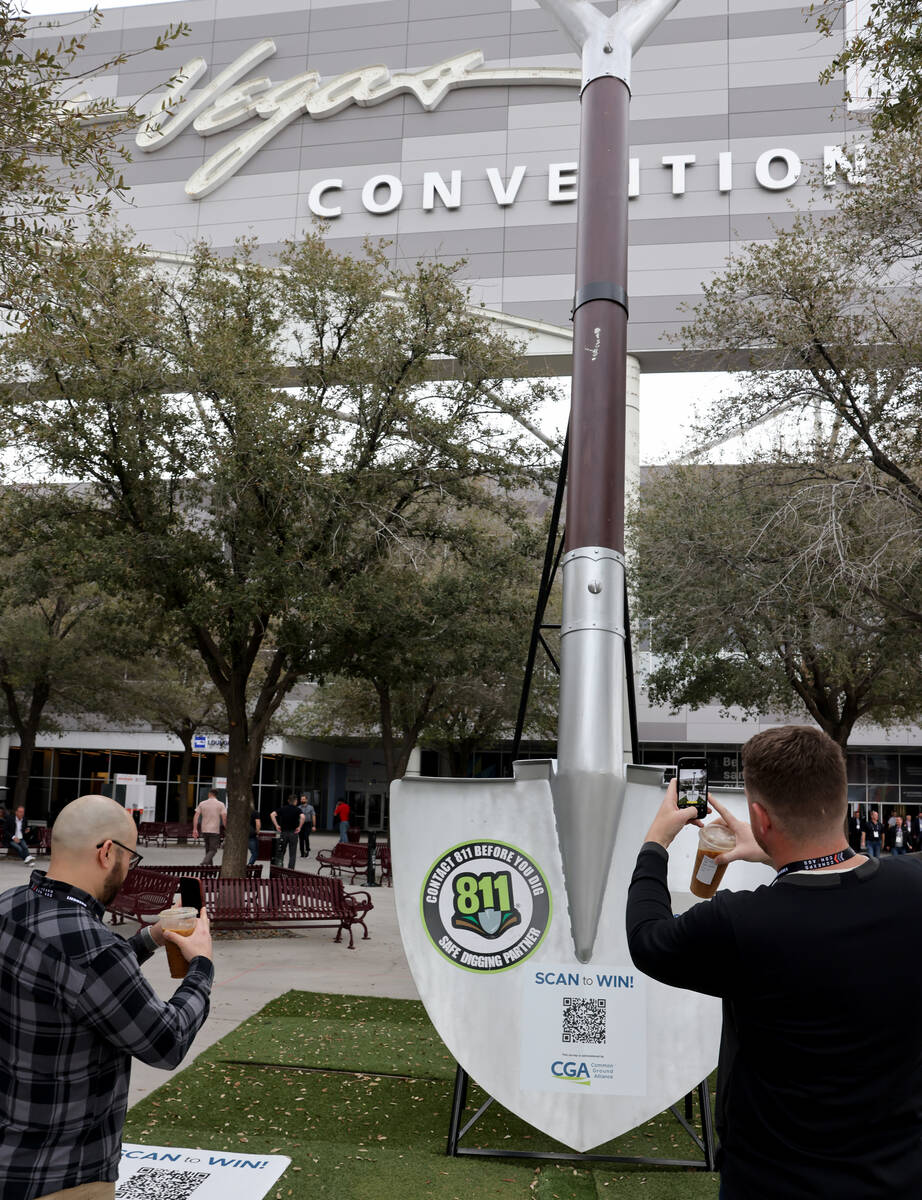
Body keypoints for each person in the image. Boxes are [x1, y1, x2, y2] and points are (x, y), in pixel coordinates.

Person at [627, 724, 922, 1199]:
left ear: (761, 820)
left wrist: (656, 840)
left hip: (771, 1182)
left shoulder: (742, 923)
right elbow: (835, 880)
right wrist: (775, 853)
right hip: (899, 1178)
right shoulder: (912, 889)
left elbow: (646, 939)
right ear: (844, 803)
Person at [0, 794, 213, 1200]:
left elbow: (71, 980)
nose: (128, 871)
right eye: (130, 859)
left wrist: (149, 938)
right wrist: (201, 965)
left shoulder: (10, 905)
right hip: (65, 1175)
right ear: (107, 852)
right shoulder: (94, 948)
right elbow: (166, 1042)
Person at [192, 788, 226, 867]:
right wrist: (226, 828)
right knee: (213, 850)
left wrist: (195, 829)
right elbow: (224, 818)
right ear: (216, 795)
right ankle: (204, 863)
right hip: (214, 830)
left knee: (208, 850)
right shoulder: (220, 804)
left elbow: (196, 816)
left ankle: (209, 871)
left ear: (209, 794)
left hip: (204, 830)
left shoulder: (202, 803)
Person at [270, 795, 304, 869]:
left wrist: (276, 825)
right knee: (292, 854)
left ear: (288, 801)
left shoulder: (283, 808)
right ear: (295, 801)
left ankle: (279, 867)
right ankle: (290, 870)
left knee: (281, 852)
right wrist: (299, 827)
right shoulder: (297, 809)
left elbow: (272, 814)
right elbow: (303, 817)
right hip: (293, 833)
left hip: (284, 833)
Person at [298, 792, 317, 859]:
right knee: (301, 839)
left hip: (308, 824)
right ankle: (302, 853)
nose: (302, 800)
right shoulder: (298, 807)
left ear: (306, 800)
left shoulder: (311, 807)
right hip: (301, 824)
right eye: (301, 799)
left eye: (303, 799)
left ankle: (307, 852)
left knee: (306, 837)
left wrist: (314, 826)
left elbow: (313, 816)